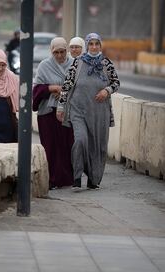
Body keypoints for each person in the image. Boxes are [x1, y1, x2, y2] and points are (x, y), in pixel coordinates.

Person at [57, 33, 120, 190]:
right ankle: (77, 176)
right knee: (80, 140)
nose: (93, 47)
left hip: (100, 113)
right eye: (90, 44)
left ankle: (94, 179)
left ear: (100, 45)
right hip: (78, 111)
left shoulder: (106, 63)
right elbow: (66, 86)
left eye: (96, 44)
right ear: (87, 45)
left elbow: (116, 82)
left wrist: (107, 90)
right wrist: (61, 107)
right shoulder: (78, 63)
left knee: (98, 147)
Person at [33, 37, 74, 189]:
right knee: (50, 147)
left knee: (67, 145)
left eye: (62, 52)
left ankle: (67, 179)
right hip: (48, 113)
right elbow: (36, 89)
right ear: (51, 51)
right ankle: (51, 180)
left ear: (66, 51)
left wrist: (64, 92)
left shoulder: (74, 65)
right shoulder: (44, 65)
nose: (59, 55)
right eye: (56, 52)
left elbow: (79, 87)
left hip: (68, 112)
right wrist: (51, 88)